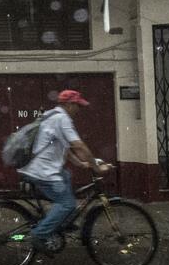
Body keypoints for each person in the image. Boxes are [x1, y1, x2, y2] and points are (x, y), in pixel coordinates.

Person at [18, 89, 112, 255]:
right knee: (67, 203)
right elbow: (79, 145)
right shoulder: (62, 119)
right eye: (77, 105)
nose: (79, 109)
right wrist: (96, 168)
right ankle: (39, 234)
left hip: (44, 168)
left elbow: (65, 148)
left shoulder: (51, 116)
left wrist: (81, 164)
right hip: (42, 171)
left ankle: (63, 221)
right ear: (68, 104)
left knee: (66, 176)